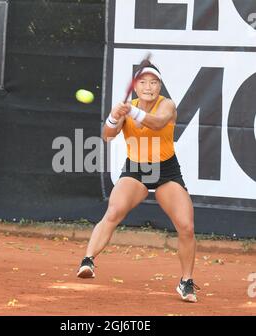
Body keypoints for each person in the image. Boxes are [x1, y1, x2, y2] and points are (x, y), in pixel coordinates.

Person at [77, 62, 200, 303]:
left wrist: (130, 113)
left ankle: (185, 282)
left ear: (159, 86)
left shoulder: (167, 104)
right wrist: (114, 118)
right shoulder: (127, 109)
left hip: (166, 171)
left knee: (186, 227)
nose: (148, 87)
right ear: (135, 87)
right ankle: (88, 260)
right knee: (113, 211)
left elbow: (157, 122)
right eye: (143, 82)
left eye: (153, 82)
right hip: (136, 169)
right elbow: (107, 136)